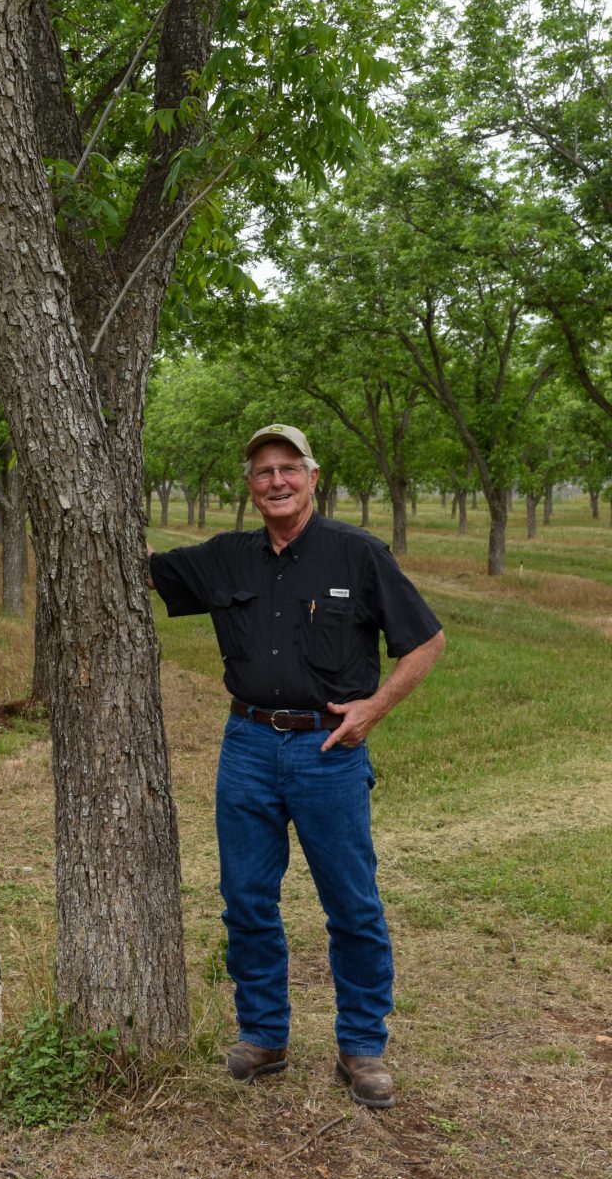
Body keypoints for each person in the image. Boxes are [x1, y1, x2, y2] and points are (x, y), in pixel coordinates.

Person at [147, 423, 445, 1109]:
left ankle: (362, 1047)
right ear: (249, 487)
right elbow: (140, 564)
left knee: (352, 904)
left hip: (327, 753)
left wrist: (371, 710)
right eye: (262, 472)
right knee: (247, 901)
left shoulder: (357, 554)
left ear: (314, 478)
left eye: (288, 468)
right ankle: (265, 1037)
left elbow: (426, 641)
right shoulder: (225, 558)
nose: (276, 481)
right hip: (247, 746)